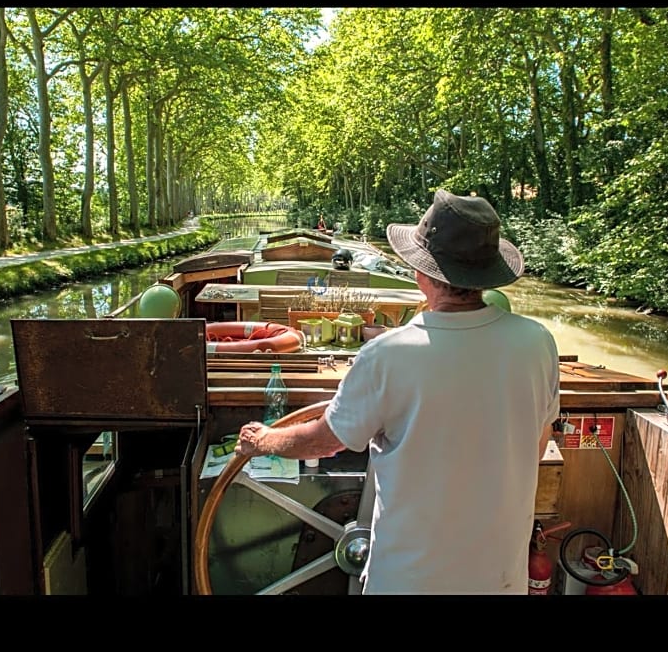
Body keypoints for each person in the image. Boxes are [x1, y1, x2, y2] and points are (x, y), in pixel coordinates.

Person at [235, 189, 560, 594]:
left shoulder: (387, 355)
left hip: (409, 581)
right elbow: (537, 440)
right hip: (501, 580)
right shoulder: (537, 343)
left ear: (422, 273)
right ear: (486, 276)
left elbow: (323, 443)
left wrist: (264, 440)